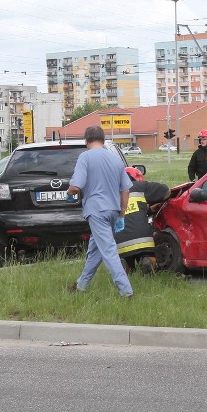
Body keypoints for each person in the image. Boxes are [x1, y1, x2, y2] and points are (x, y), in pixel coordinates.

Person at [66, 126, 134, 298]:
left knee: (109, 251)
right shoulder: (116, 159)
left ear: (86, 141)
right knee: (95, 250)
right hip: (113, 210)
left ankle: (126, 292)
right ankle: (81, 286)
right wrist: (122, 214)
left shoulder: (85, 157)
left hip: (96, 211)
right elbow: (125, 190)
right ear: (103, 140)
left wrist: (68, 193)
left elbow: (76, 186)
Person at [115, 167, 170, 275]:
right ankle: (148, 259)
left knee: (126, 255)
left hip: (119, 243)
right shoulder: (141, 186)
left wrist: (148, 210)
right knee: (146, 252)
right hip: (143, 240)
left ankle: (125, 264)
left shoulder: (111, 193)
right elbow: (166, 191)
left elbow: (126, 212)